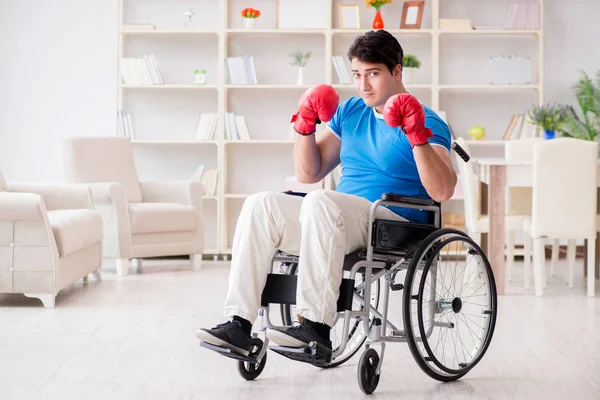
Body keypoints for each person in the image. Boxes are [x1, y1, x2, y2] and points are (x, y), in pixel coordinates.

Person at [196, 29, 456, 357]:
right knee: (260, 203)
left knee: (321, 200)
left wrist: (416, 134)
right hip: (335, 217)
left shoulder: (429, 119)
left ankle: (315, 329)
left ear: (397, 71)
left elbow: (443, 190)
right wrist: (304, 125)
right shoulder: (351, 112)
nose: (363, 85)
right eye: (357, 75)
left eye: (373, 74)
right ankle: (238, 324)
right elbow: (310, 172)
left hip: (393, 221)